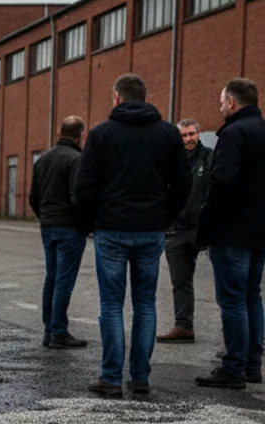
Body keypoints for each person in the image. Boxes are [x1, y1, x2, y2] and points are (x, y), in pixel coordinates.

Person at [74, 74, 191, 397]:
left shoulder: (101, 134)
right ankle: (140, 377)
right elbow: (183, 184)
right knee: (145, 304)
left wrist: (89, 223)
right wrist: (163, 217)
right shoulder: (168, 133)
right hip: (151, 229)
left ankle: (111, 378)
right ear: (144, 96)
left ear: (116, 98)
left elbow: (84, 186)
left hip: (111, 229)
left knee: (111, 305)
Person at [195, 78, 265, 389]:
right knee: (252, 296)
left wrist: (206, 218)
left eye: (222, 101)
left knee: (234, 300)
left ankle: (233, 368)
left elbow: (222, 182)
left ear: (233, 102)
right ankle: (252, 364)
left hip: (232, 231)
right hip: (260, 232)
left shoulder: (234, 133)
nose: (220, 106)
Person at [29, 116, 88, 350]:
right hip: (69, 228)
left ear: (60, 132)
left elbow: (34, 197)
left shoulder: (42, 159)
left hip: (48, 227)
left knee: (51, 278)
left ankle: (49, 330)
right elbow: (77, 198)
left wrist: (45, 217)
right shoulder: (76, 159)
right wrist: (83, 224)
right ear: (80, 134)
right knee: (64, 280)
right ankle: (59, 332)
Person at [157, 119, 214, 344]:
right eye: (184, 135)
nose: (189, 139)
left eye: (192, 134)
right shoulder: (170, 162)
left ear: (198, 134)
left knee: (225, 282)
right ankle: (183, 326)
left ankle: (231, 335)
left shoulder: (210, 157)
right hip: (177, 231)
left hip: (205, 228)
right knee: (180, 281)